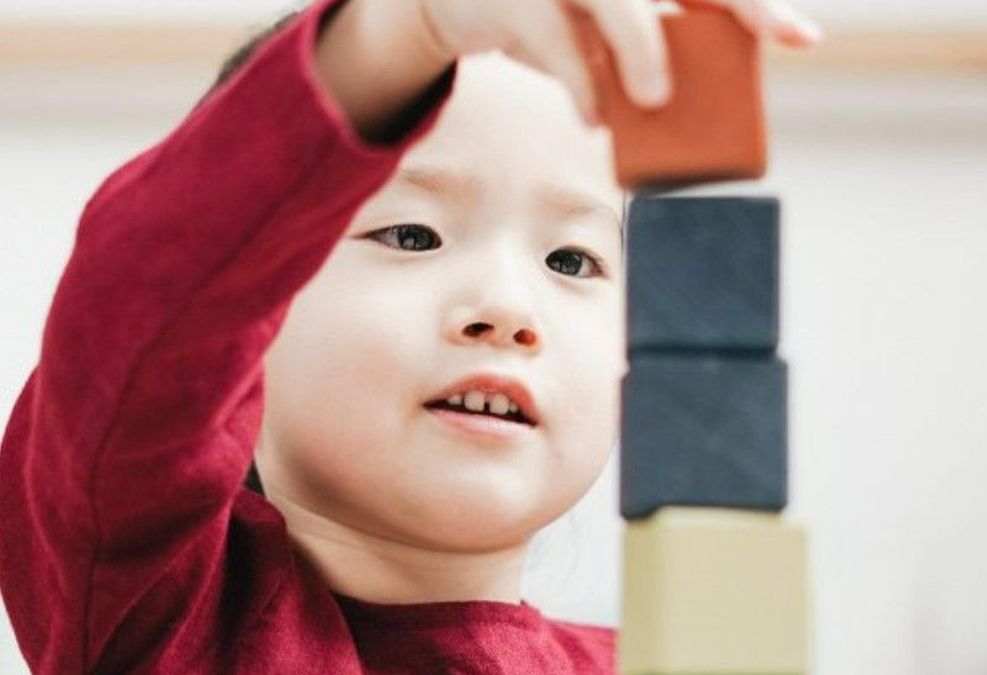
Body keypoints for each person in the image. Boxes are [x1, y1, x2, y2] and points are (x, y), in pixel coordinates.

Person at [0, 0, 820, 672]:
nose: (506, 306)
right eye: (411, 236)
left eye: (572, 258)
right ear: (248, 312)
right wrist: (408, 27)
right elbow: (135, 303)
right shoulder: (164, 627)